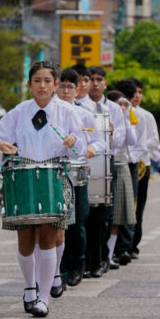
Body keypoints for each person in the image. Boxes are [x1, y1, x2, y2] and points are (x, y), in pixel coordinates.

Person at [0, 61, 86, 317]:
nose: (42, 86)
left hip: (54, 173)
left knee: (50, 238)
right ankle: (29, 285)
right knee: (25, 240)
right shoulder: (19, 111)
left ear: (55, 84)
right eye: (37, 80)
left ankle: (43, 298)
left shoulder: (66, 111)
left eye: (47, 81)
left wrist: (74, 142)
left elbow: (83, 147)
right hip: (24, 175)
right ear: (29, 84)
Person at [56, 68, 107, 290]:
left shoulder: (85, 113)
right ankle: (60, 270)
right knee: (57, 222)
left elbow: (100, 142)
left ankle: (78, 265)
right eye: (62, 86)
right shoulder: (49, 112)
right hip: (55, 173)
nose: (66, 91)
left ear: (77, 90)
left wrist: (90, 149)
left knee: (77, 223)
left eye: (70, 87)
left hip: (77, 173)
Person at [84, 66, 126, 278]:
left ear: (105, 83)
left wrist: (111, 131)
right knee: (84, 216)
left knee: (103, 218)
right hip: (85, 164)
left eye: (99, 79)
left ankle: (100, 259)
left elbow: (120, 139)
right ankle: (83, 261)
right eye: (91, 79)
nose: (95, 83)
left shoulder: (114, 109)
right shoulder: (80, 106)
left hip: (106, 164)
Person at [125, 78, 160, 261]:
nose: (136, 96)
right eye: (134, 93)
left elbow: (154, 140)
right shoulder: (122, 112)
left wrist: (138, 149)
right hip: (127, 163)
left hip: (142, 165)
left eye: (139, 92)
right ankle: (124, 244)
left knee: (139, 206)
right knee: (127, 205)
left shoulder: (146, 116)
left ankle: (134, 243)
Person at [104, 89, 138, 271]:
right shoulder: (103, 117)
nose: (123, 107)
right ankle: (103, 255)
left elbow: (132, 140)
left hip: (122, 164)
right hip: (106, 164)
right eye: (120, 104)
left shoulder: (125, 120)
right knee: (104, 217)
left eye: (125, 104)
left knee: (117, 217)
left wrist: (125, 118)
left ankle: (109, 255)